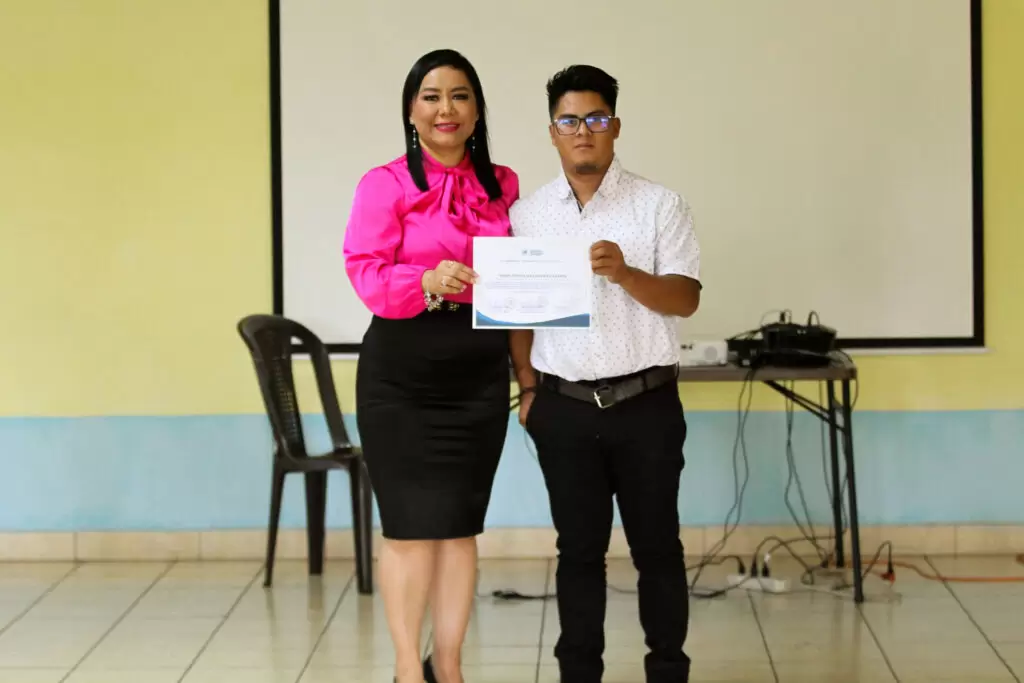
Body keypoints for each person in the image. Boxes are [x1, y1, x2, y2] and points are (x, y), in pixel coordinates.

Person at [509, 64, 701, 683]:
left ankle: (667, 670)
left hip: (645, 405)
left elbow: (685, 299)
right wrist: (528, 389)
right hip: (562, 409)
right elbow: (519, 314)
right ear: (552, 132)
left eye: (595, 119)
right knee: (578, 555)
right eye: (570, 121)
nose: (583, 131)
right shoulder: (528, 214)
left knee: (658, 551)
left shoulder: (658, 205)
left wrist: (623, 273)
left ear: (614, 126)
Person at [343, 49, 519, 683]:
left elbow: (519, 283)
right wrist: (428, 281)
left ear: (477, 110)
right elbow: (365, 273)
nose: (447, 109)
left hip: (477, 375)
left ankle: (448, 665)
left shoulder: (505, 185)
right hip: (401, 374)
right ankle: (404, 670)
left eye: (461, 96)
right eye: (432, 96)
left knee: (459, 529)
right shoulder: (383, 184)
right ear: (411, 111)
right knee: (411, 531)